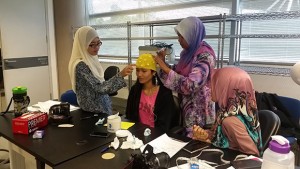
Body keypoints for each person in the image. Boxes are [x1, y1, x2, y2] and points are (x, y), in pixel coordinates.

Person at [154, 16, 216, 137]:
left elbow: (191, 85)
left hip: (201, 114)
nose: (178, 40)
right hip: (188, 110)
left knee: (198, 145)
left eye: (181, 36)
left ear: (191, 35)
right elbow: (176, 77)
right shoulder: (186, 54)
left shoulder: (205, 56)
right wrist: (163, 65)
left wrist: (165, 67)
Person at [192, 67, 263, 156]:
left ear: (227, 88)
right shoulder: (226, 111)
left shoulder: (230, 121)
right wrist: (205, 135)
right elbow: (221, 136)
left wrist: (209, 142)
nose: (210, 87)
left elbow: (253, 156)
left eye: (217, 83)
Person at [68, 26, 134, 115]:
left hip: (102, 107)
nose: (97, 48)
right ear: (83, 44)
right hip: (92, 111)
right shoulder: (81, 65)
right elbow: (100, 88)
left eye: (98, 43)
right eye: (92, 45)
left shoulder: (91, 59)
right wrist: (121, 75)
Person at [125, 54, 179, 132]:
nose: (139, 74)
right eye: (137, 70)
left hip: (157, 136)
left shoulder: (164, 94)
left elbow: (165, 124)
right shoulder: (135, 90)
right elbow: (129, 115)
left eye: (144, 71)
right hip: (137, 134)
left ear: (153, 72)